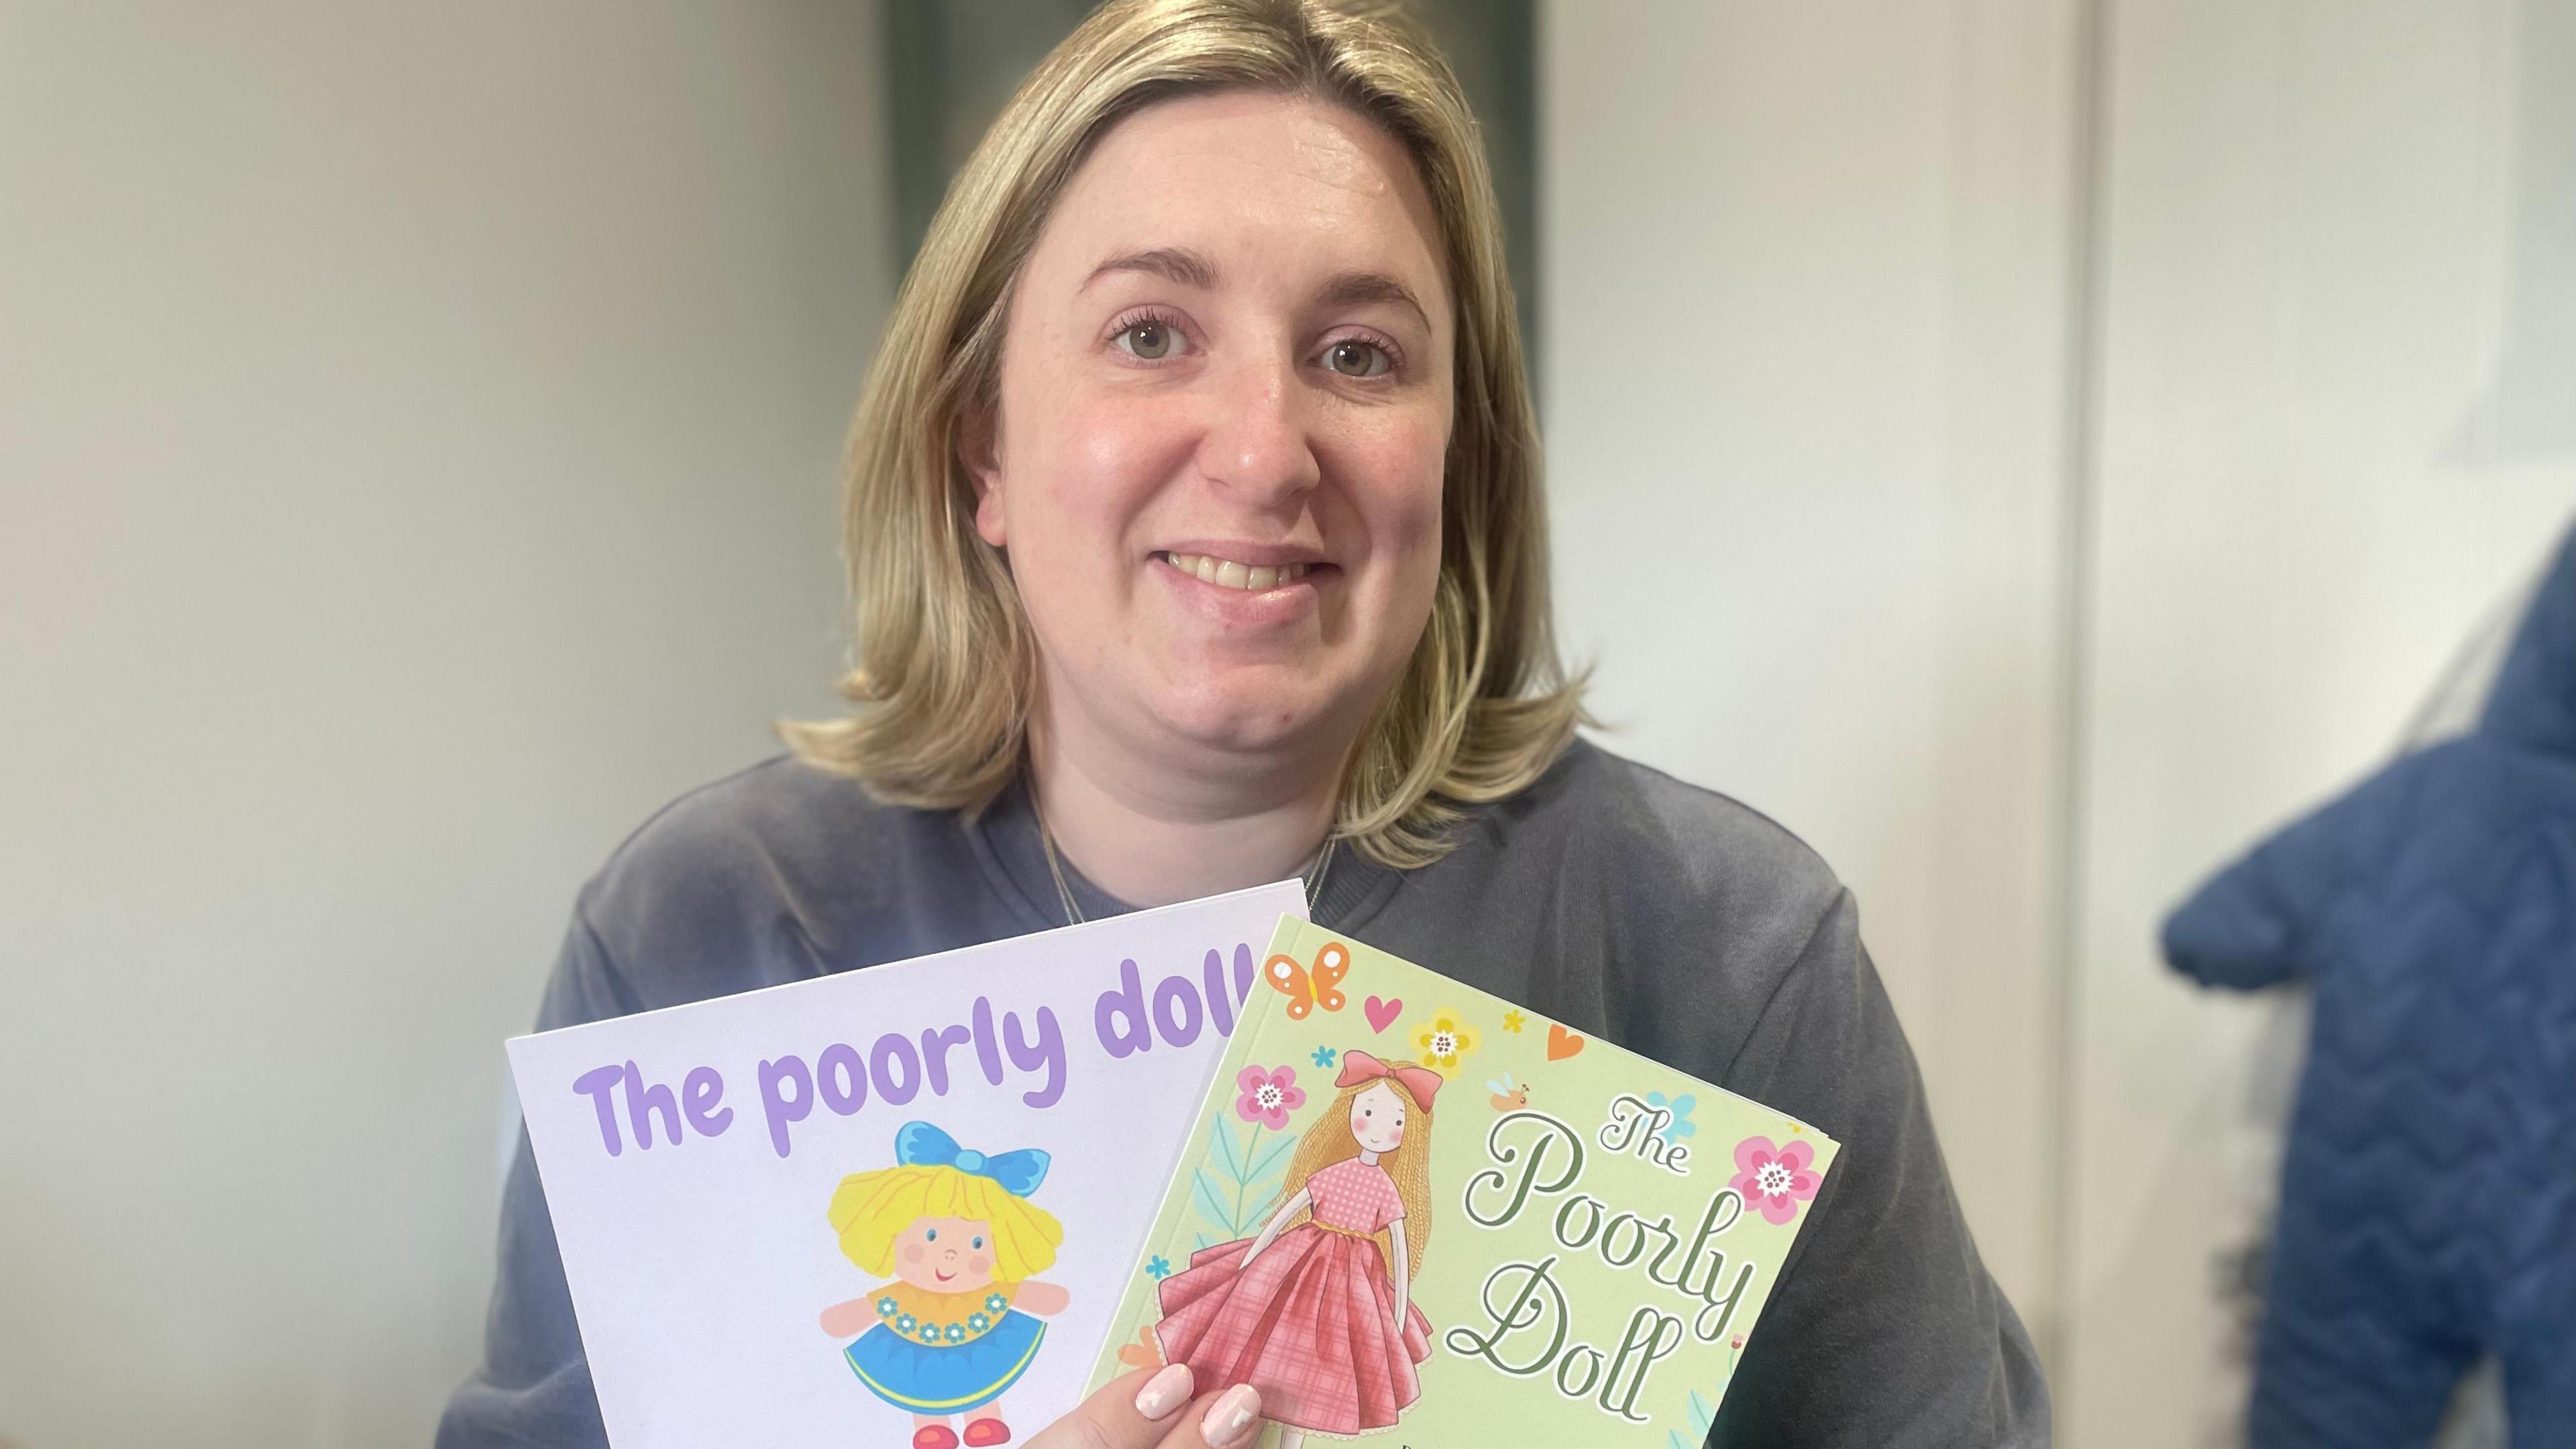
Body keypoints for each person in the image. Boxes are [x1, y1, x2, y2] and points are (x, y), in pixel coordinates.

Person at [436, 1, 2051, 1446]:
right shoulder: (706, 934)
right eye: (1150, 333)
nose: (1264, 448)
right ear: (978, 448)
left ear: (1456, 466)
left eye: (1357, 354)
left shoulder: (1725, 957)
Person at [1151, 1053, 1438, 1445]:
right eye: (1368, 1111)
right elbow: (1287, 1212)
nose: (1378, 1128)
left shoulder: (1386, 1189)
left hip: (1351, 1285)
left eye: (1396, 1122)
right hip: (1299, 1260)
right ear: (1349, 1112)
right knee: (1266, 1337)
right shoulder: (1334, 1173)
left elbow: (1400, 1253)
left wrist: (1399, 1310)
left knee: (1327, 1362)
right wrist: (1248, 1263)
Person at [817, 1122, 1072, 1449]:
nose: (949, 1256)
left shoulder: (991, 1289)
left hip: (983, 1333)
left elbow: (1050, 1299)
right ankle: (931, 1427)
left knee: (982, 1372)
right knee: (920, 1383)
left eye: (977, 1243)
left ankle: (985, 1418)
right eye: (931, 1236)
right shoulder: (901, 1295)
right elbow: (852, 1316)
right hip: (912, 1345)